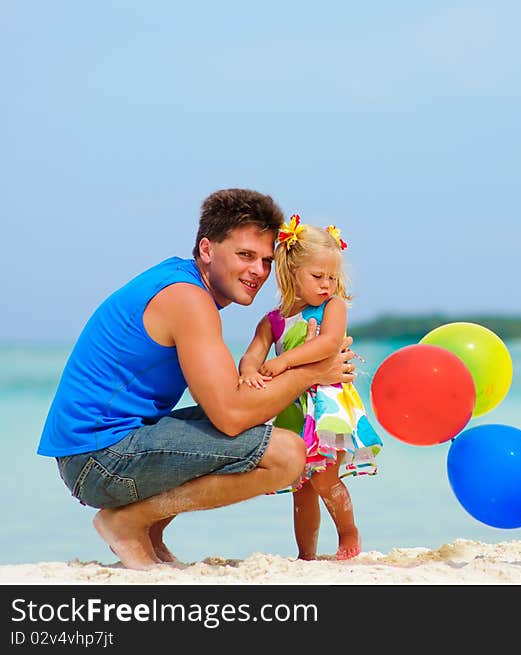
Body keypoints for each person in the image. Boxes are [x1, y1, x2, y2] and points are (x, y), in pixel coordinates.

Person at [37, 189, 359, 571]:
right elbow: (231, 416)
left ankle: (149, 532)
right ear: (207, 249)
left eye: (266, 260)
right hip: (98, 458)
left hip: (101, 449)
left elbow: (234, 404)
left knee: (262, 419)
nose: (257, 270)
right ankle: (127, 522)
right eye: (245, 255)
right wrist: (312, 372)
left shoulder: (180, 283)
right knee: (288, 454)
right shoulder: (188, 300)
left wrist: (287, 371)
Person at [238, 214, 382, 561]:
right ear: (290, 273)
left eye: (332, 277)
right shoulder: (273, 321)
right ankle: (306, 556)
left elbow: (329, 344)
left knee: (324, 478)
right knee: (299, 487)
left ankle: (348, 533)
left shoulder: (332, 307)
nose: (327, 285)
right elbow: (251, 355)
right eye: (318, 276)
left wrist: (284, 361)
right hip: (290, 407)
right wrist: (248, 374)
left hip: (326, 408)